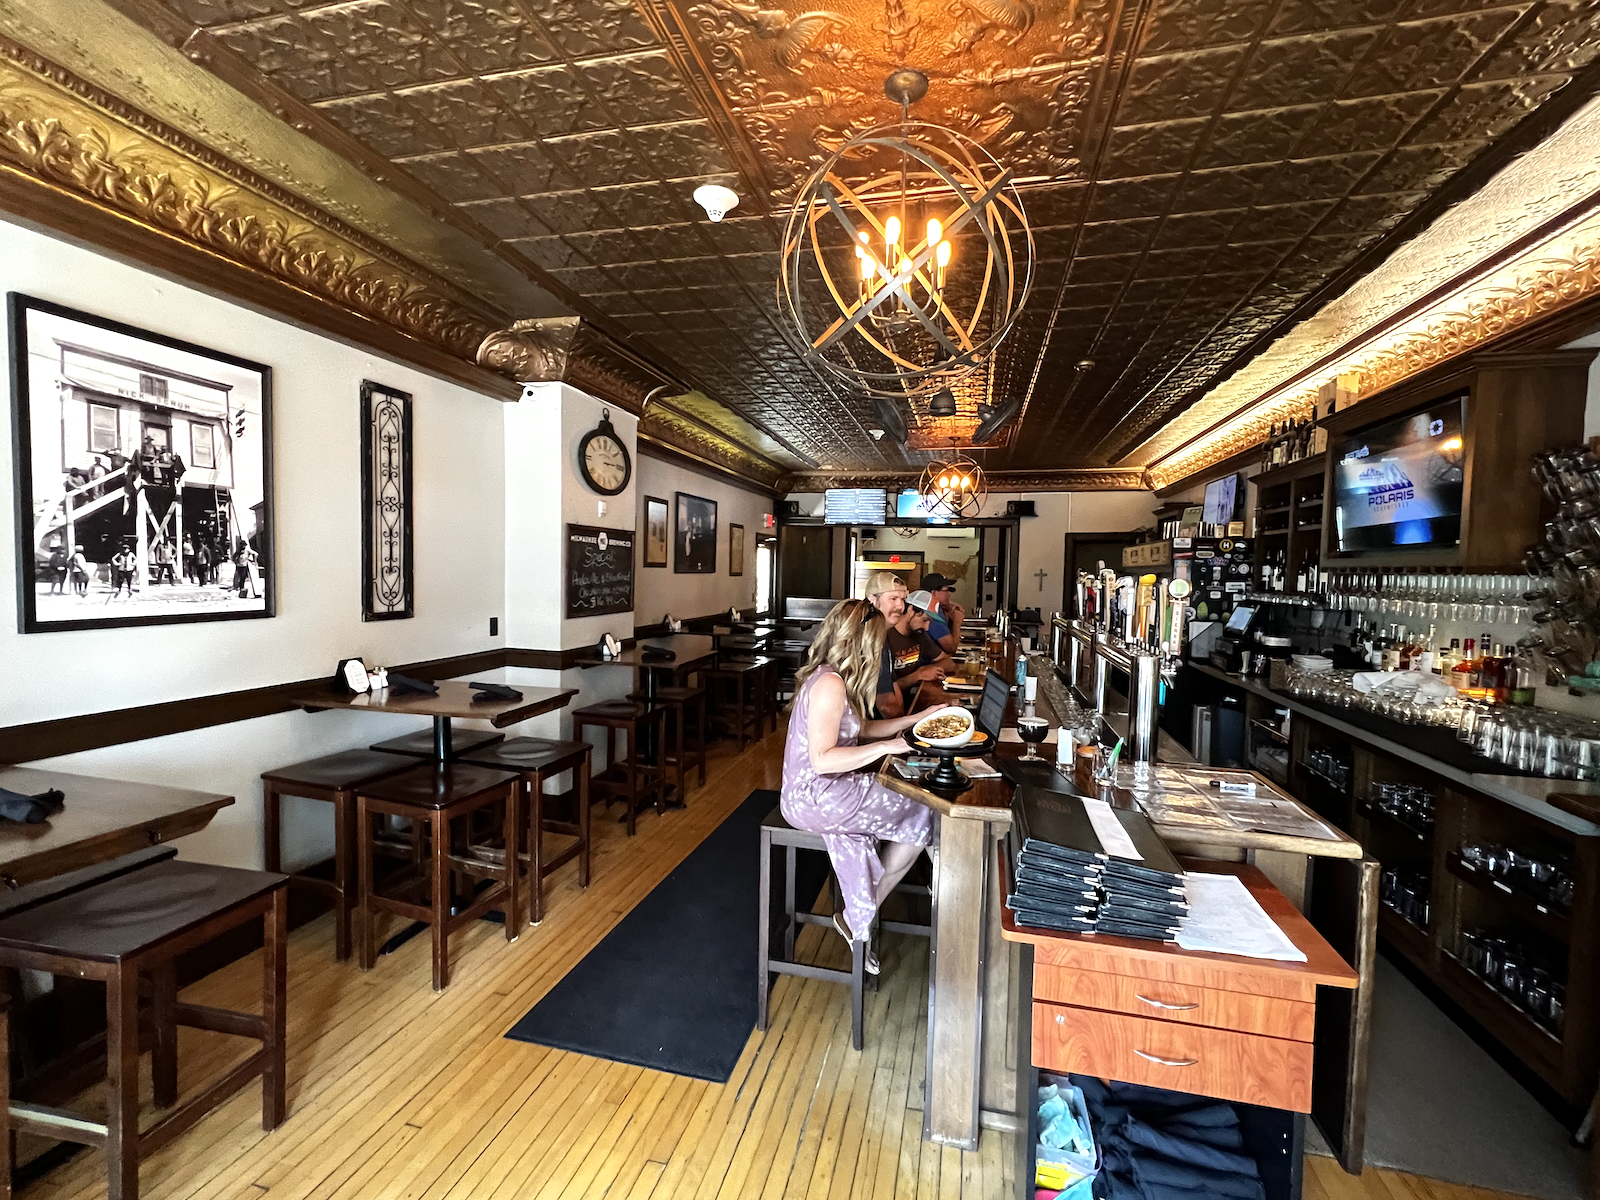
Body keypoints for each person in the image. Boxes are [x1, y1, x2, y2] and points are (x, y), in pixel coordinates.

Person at [781, 598, 933, 974]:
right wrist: (893, 745)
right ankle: (864, 910)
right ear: (861, 640)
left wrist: (917, 720)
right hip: (815, 795)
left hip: (826, 791)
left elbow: (861, 730)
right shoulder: (830, 684)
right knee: (924, 810)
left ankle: (859, 913)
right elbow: (823, 759)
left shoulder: (832, 677)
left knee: (915, 800)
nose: (881, 648)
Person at [875, 590, 952, 718]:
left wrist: (929, 670)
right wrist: (917, 676)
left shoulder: (919, 635)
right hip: (886, 716)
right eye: (925, 620)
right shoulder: (884, 638)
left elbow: (949, 663)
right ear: (910, 610)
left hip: (910, 704)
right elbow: (882, 695)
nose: (927, 627)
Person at [918, 572, 966, 655]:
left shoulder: (936, 609)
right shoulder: (931, 616)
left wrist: (948, 609)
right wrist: (957, 622)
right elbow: (951, 648)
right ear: (933, 593)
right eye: (946, 590)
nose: (949, 594)